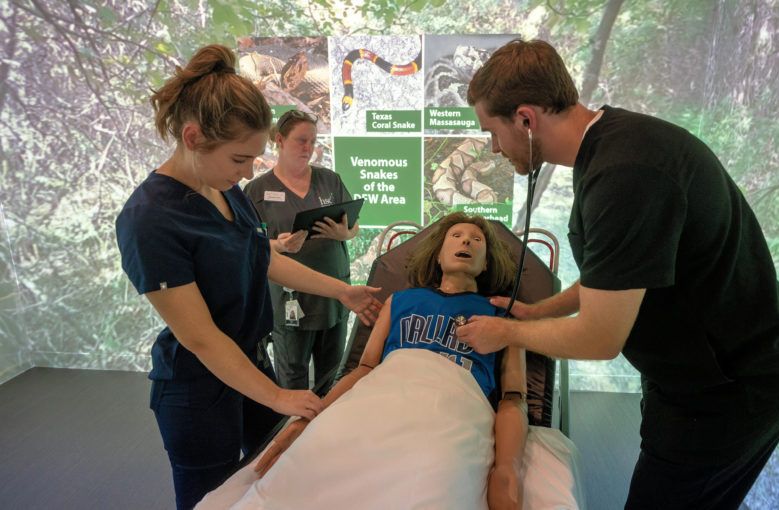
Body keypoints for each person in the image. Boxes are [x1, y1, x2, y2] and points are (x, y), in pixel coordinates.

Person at [456, 39, 779, 509]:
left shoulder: (626, 174)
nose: (492, 147)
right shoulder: (613, 145)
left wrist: (506, 332)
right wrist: (536, 312)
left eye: (492, 131)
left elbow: (599, 338)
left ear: (526, 120)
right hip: (694, 369)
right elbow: (614, 273)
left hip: (736, 383)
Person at [115, 44, 381, 510]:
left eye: (253, 159)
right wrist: (277, 395)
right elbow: (199, 337)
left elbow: (262, 258)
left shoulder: (226, 190)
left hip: (253, 364)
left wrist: (343, 291)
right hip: (197, 389)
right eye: (240, 159)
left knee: (274, 478)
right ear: (193, 138)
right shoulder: (149, 218)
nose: (247, 172)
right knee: (212, 497)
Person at [250, 212, 528, 510]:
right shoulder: (400, 302)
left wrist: (507, 468)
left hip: (452, 408)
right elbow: (365, 368)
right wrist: (311, 420)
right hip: (385, 395)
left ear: (486, 263)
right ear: (437, 255)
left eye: (477, 240)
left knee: (432, 482)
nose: (466, 242)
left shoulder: (501, 316)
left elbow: (514, 397)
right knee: (314, 463)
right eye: (456, 236)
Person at [244, 110, 356, 396]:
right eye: (301, 141)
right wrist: (279, 245)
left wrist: (345, 234)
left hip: (333, 297)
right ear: (279, 140)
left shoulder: (329, 180)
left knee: (331, 377)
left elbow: (353, 227)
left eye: (313, 141)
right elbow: (246, 247)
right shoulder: (257, 190)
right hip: (289, 302)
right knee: (292, 378)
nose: (309, 148)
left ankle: (328, 435)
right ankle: (292, 437)